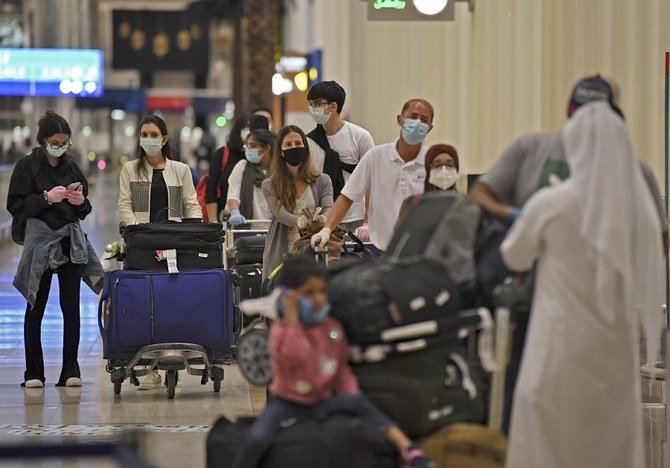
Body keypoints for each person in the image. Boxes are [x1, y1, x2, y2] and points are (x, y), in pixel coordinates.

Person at [468, 74, 669, 434]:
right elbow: (658, 247)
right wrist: (508, 215)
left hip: (562, 315)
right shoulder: (533, 149)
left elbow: (515, 255)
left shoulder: (555, 201)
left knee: (546, 412)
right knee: (602, 420)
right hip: (560, 310)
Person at [501, 102, 663, 467]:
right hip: (613, 349)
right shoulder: (638, 209)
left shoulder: (552, 202)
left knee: (546, 438)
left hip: (557, 345)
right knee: (607, 440)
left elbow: (514, 257)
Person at [231, 256, 434, 468]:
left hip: (323, 401)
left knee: (365, 408)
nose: (318, 299)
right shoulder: (281, 332)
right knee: (257, 437)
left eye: (322, 291)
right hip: (288, 403)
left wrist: (350, 393)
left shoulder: (331, 328)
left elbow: (340, 371)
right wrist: (292, 319)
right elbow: (296, 355)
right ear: (289, 298)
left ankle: (409, 450)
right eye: (309, 293)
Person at [7, 109, 104, 388]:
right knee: (34, 304)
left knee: (70, 306)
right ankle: (33, 372)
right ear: (43, 140)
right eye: (56, 142)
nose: (60, 147)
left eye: (65, 143)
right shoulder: (26, 167)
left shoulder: (72, 167)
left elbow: (85, 209)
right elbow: (15, 206)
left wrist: (78, 202)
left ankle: (70, 369)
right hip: (39, 244)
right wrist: (46, 199)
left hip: (68, 243)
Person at [312, 98, 434, 253]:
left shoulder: (432, 161)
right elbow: (347, 196)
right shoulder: (376, 157)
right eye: (413, 117)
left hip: (421, 251)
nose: (417, 123)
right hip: (383, 250)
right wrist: (327, 229)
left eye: (424, 120)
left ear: (429, 128)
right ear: (400, 120)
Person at [261, 125, 333, 282]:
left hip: (315, 251)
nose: (294, 147)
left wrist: (324, 218)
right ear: (280, 151)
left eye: (298, 143)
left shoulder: (323, 180)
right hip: (283, 251)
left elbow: (329, 207)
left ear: (305, 147)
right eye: (288, 144)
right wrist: (298, 221)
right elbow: (279, 213)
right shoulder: (269, 185)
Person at [305, 81, 375, 233]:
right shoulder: (309, 141)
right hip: (322, 218)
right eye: (310, 104)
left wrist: (367, 221)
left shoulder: (360, 137)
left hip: (355, 217)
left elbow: (371, 181)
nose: (312, 109)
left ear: (333, 106)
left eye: (317, 104)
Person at [118, 115, 202, 225]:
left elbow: (191, 205)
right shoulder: (129, 169)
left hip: (174, 236)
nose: (149, 139)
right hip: (141, 236)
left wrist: (193, 228)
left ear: (164, 139)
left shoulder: (182, 170)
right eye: (144, 135)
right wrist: (136, 229)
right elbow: (125, 205)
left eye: (154, 135)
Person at [205, 113, 271, 222]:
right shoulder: (240, 164)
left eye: (253, 145)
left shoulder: (278, 167)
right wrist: (217, 221)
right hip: (239, 221)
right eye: (245, 126)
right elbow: (229, 192)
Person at [395, 143, 459, 227]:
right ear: (428, 170)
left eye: (449, 165)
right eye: (437, 165)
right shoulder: (413, 204)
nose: (444, 170)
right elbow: (400, 236)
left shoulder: (465, 206)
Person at [226, 128, 274, 227]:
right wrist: (235, 212)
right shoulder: (242, 167)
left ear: (266, 148)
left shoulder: (280, 170)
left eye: (252, 146)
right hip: (248, 229)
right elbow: (233, 193)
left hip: (273, 230)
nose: (248, 149)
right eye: (247, 146)